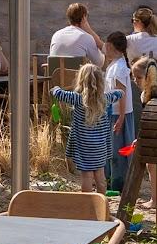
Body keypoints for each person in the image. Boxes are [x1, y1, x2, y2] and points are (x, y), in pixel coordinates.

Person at [51, 63, 123, 194]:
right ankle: (101, 203)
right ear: (100, 82)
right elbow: (119, 93)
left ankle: (88, 204)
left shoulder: (77, 99)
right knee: (100, 176)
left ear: (81, 80)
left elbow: (59, 94)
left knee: (87, 176)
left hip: (84, 146)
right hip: (101, 145)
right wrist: (117, 90)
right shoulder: (105, 99)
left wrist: (55, 88)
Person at [104, 31, 133, 192]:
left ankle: (118, 184)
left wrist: (121, 118)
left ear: (110, 46)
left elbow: (121, 94)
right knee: (111, 149)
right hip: (113, 112)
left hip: (118, 114)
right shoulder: (115, 64)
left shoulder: (119, 67)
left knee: (118, 151)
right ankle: (111, 181)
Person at [131, 56, 157, 206]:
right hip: (152, 133)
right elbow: (146, 120)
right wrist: (141, 138)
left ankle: (154, 200)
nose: (135, 80)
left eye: (138, 77)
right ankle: (154, 199)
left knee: (152, 165)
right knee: (151, 165)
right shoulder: (143, 95)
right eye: (134, 77)